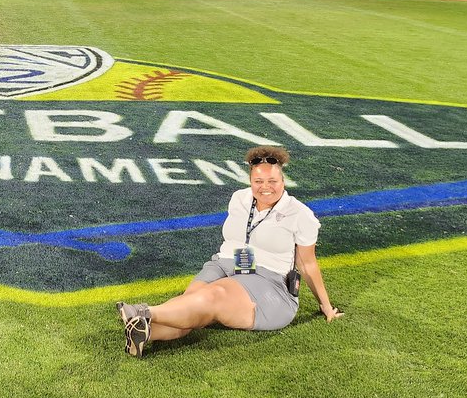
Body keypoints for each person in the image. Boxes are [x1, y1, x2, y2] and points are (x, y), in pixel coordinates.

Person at [117, 145, 342, 357]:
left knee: (213, 295)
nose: (265, 187)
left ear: (283, 180)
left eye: (272, 180)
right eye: (259, 180)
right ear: (250, 180)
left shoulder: (299, 214)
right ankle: (144, 333)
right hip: (226, 263)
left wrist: (325, 305)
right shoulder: (239, 198)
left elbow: (307, 264)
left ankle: (144, 312)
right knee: (192, 304)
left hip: (268, 280)